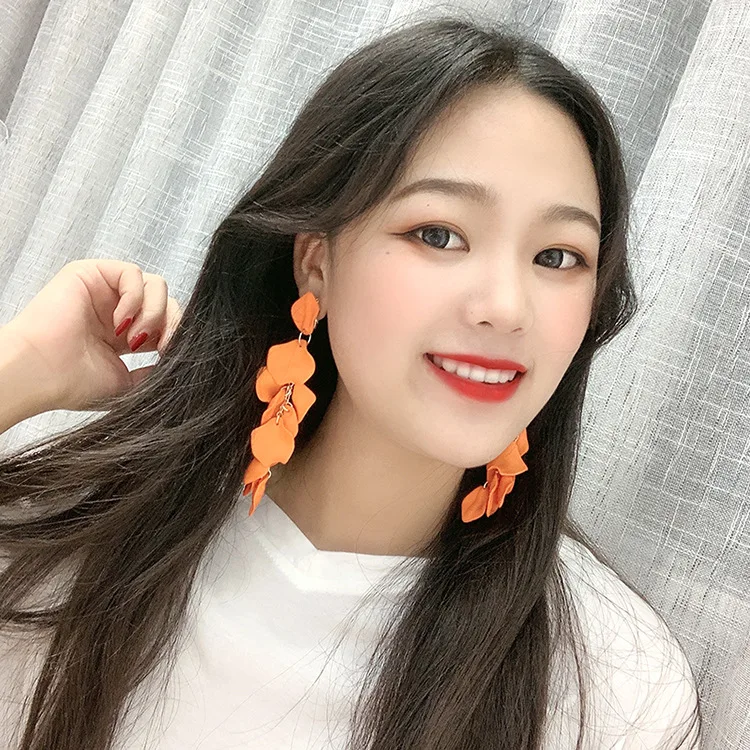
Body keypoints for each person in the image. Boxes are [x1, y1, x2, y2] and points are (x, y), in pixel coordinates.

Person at [0, 14, 702, 750]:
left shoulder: (613, 687)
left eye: (558, 257)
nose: (505, 307)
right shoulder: (75, 541)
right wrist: (20, 369)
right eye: (439, 234)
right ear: (317, 263)